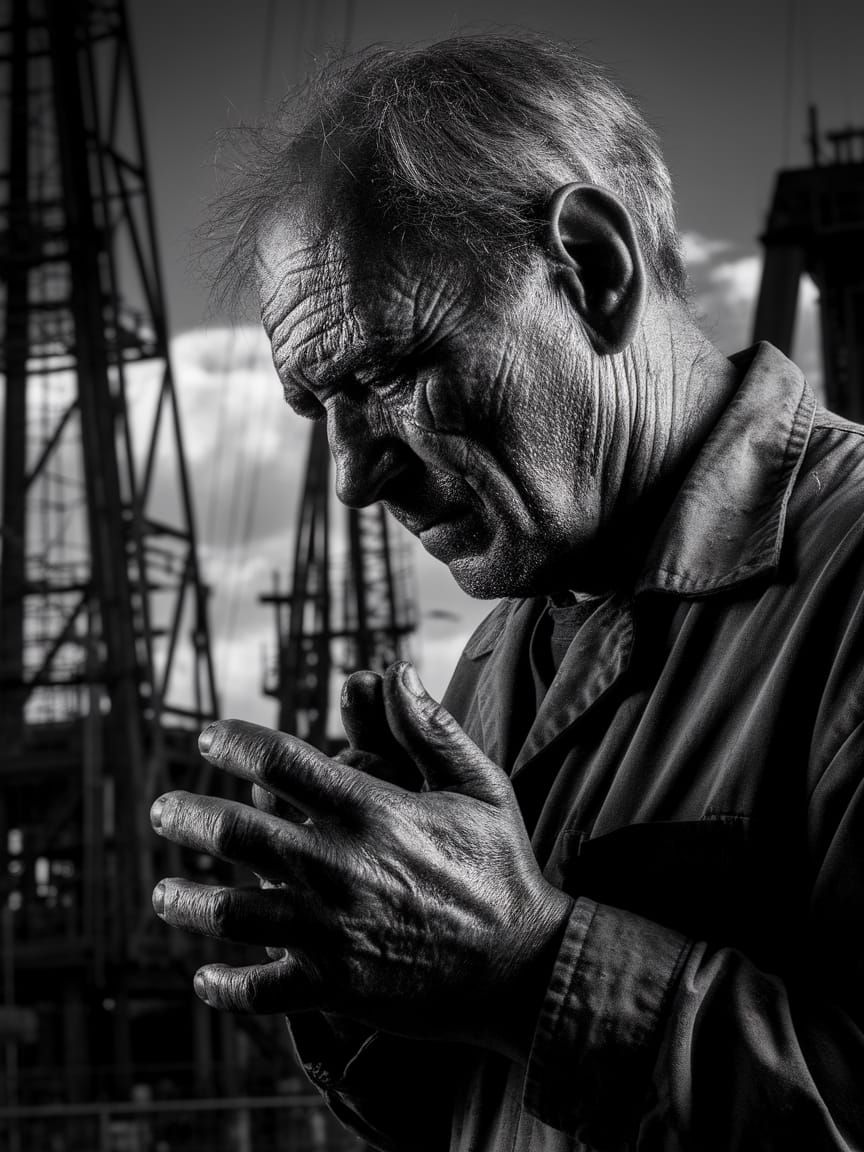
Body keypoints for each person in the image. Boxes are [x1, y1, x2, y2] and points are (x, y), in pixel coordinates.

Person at [150, 35, 864, 1150]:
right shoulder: (503, 652)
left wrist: (526, 973)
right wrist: (363, 959)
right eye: (316, 406)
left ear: (594, 266)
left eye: (386, 372)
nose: (350, 475)